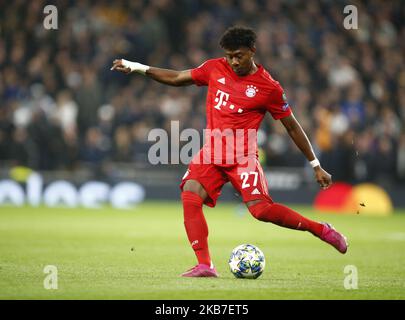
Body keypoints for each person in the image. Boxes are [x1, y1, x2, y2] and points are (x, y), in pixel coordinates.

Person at [111, 26, 348, 278]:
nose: (233, 61)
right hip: (212, 152)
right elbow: (178, 78)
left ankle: (320, 230)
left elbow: (291, 126)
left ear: (252, 51)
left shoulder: (269, 88)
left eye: (239, 55)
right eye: (229, 56)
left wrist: (315, 164)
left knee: (261, 211)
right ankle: (205, 265)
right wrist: (138, 67)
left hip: (242, 157)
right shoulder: (215, 67)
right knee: (190, 195)